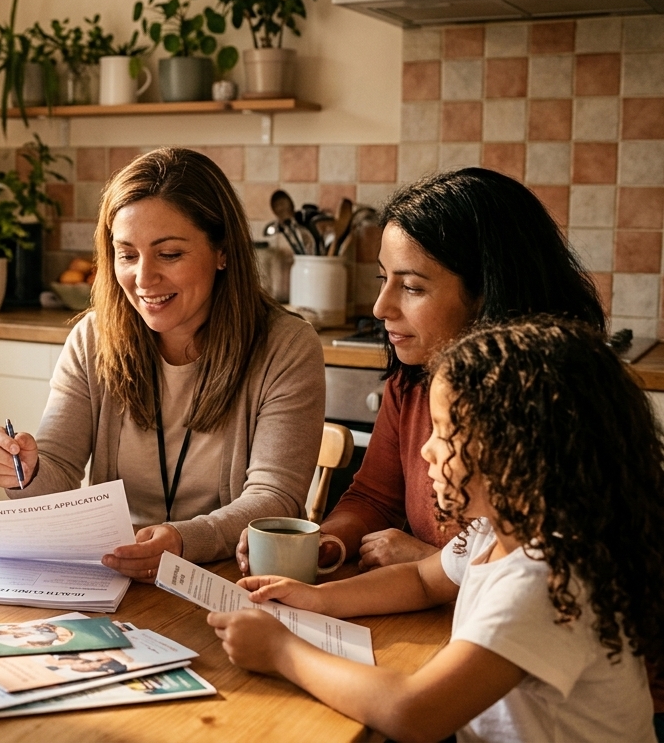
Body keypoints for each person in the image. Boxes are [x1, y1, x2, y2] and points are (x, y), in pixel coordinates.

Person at [210, 317, 661, 742]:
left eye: (444, 432)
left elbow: (414, 712)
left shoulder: (543, 578)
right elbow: (421, 581)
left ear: (515, 451)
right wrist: (318, 599)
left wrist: (283, 652)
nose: (426, 450)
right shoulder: (492, 533)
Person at [236, 168, 605, 576]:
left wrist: (425, 561)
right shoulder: (410, 382)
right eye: (383, 279)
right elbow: (375, 499)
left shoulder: (552, 406)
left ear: (489, 292)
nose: (380, 308)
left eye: (411, 287)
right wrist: (322, 543)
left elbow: (550, 573)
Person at [0, 148, 325, 579]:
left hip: (228, 580)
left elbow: (275, 499)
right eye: (127, 255)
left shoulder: (286, 346)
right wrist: (25, 472)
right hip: (115, 574)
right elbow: (59, 470)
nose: (143, 279)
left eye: (170, 254)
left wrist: (182, 540)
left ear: (222, 251)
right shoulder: (92, 338)